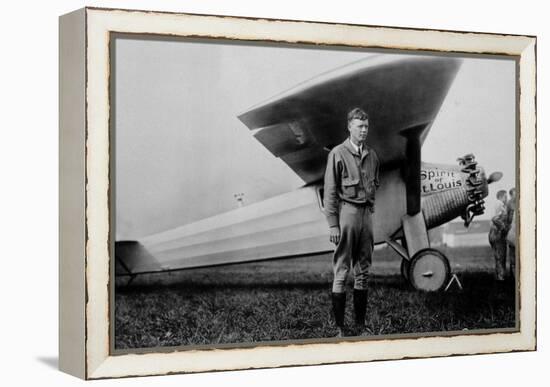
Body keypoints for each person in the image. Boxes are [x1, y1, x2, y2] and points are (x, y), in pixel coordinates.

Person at [323, 107, 380, 337]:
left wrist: (370, 211)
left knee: (363, 270)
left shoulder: (372, 155)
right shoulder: (337, 153)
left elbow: (374, 185)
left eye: (366, 126)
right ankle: (339, 329)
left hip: (366, 215)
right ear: (349, 127)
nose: (364, 130)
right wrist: (333, 224)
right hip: (347, 214)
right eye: (360, 126)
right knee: (342, 270)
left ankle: (360, 326)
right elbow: (330, 191)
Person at [488, 190, 508, 281]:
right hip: (497, 233)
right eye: (505, 197)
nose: (506, 199)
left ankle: (498, 276)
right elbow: (495, 218)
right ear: (501, 197)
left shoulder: (495, 204)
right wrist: (503, 227)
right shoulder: (500, 205)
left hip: (492, 232)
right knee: (501, 255)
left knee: (497, 256)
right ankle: (501, 277)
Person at [505, 188, 517, 278]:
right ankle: (513, 274)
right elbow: (508, 219)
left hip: (512, 232)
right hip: (512, 233)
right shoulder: (509, 204)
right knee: (512, 255)